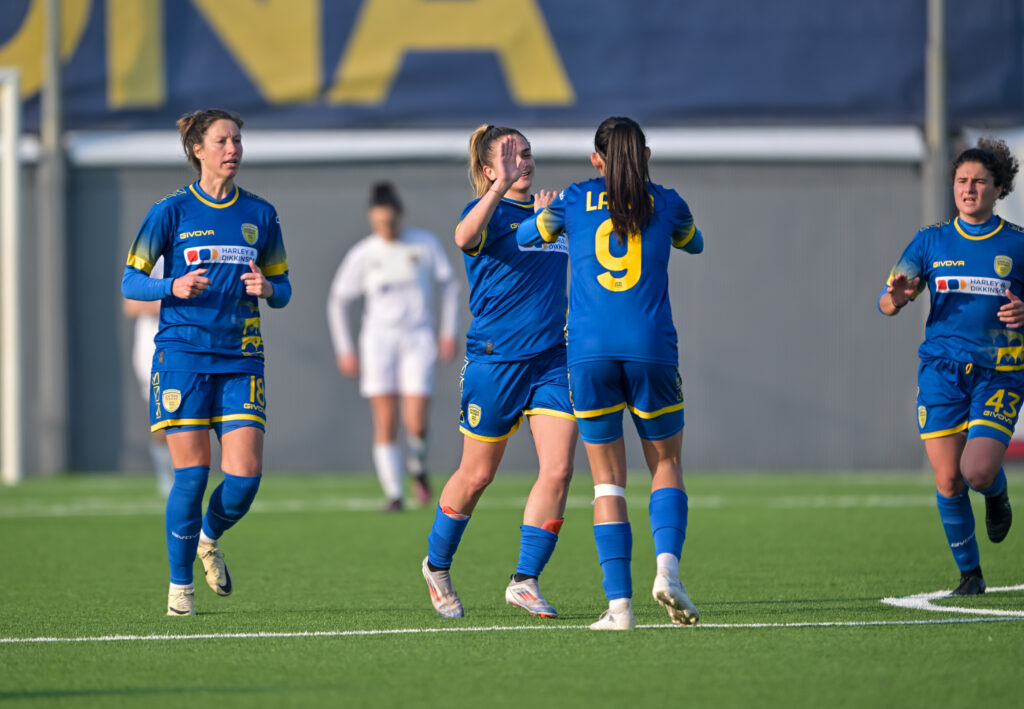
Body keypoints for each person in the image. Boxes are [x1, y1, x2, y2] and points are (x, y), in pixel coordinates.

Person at [518, 116, 704, 630]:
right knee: (666, 464)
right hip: (651, 349)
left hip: (589, 353)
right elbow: (695, 243)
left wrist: (541, 213)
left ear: (595, 160)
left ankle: (620, 608)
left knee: (607, 483)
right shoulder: (667, 202)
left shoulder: (574, 198)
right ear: (646, 156)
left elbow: (527, 235)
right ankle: (667, 571)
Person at [120, 108, 292, 616]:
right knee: (192, 476)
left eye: (237, 140)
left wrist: (269, 288)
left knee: (244, 480)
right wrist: (171, 285)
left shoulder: (261, 214)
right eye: (222, 141)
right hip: (183, 359)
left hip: (240, 360)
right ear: (197, 150)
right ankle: (180, 590)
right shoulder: (170, 211)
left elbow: (284, 288)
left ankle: (208, 537)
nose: (232, 149)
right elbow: (131, 282)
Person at [420, 124, 578, 619]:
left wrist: (557, 219)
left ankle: (524, 580)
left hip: (552, 360)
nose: (522, 163)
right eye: (510, 158)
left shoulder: (553, 212)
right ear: (489, 170)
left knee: (559, 468)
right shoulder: (484, 212)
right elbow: (463, 237)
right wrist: (499, 189)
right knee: (477, 475)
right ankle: (436, 565)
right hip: (496, 361)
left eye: (526, 154)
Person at [879, 137, 1021, 596]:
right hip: (941, 371)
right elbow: (886, 301)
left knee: (977, 471)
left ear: (999, 188)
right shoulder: (930, 241)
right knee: (949, 478)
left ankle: (995, 492)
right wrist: (898, 298)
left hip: (999, 372)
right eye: (962, 181)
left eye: (979, 181)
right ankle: (970, 575)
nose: (969, 189)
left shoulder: (1017, 243)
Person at [327, 182, 460, 512]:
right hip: (378, 341)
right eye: (378, 223)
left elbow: (450, 286)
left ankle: (418, 468)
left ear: (400, 215)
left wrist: (448, 331)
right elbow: (337, 300)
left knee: (416, 422)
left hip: (418, 338)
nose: (385, 228)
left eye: (389, 221)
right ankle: (394, 494)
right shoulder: (364, 253)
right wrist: (345, 348)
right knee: (385, 420)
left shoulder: (424, 244)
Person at [123, 256, 174, 497]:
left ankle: (186, 473)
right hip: (153, 349)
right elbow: (130, 305)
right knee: (160, 416)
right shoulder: (152, 259)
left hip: (188, 346)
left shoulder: (197, 251)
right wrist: (165, 304)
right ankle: (166, 475)